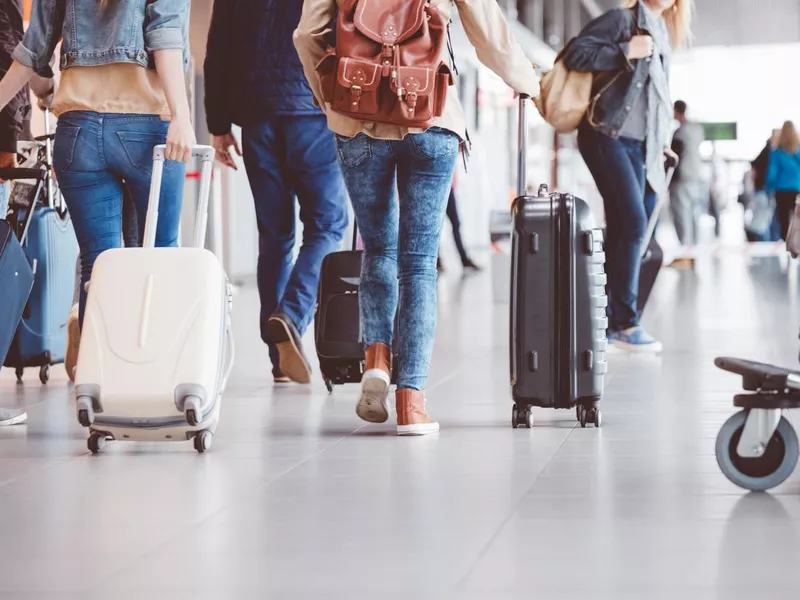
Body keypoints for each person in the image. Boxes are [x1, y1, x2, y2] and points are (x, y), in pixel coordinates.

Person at [295, 0, 539, 435]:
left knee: (378, 248)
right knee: (420, 264)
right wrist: (526, 81)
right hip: (431, 114)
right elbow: (488, 30)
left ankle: (376, 357)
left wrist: (332, 98)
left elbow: (305, 36)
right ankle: (411, 402)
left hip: (357, 113)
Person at [0, 0, 195, 345]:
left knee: (99, 266)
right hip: (147, 129)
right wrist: (181, 114)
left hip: (78, 132)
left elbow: (32, 52)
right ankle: (154, 365)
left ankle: (98, 375)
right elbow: (166, 36)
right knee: (160, 256)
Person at [205, 0, 349, 385]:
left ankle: (278, 358)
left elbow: (217, 50)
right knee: (329, 225)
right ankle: (292, 314)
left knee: (275, 237)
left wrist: (218, 124)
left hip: (257, 118)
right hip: (312, 113)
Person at [562, 0, 692, 354]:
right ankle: (625, 323)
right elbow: (576, 53)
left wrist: (660, 141)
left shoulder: (664, 34)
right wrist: (625, 50)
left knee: (628, 229)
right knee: (634, 223)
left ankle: (603, 323)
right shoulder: (624, 20)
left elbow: (654, 98)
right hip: (607, 134)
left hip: (644, 147)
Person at [668, 99, 704, 266]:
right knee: (693, 216)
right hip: (696, 178)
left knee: (681, 216)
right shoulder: (697, 130)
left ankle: (685, 253)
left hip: (681, 179)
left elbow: (675, 158)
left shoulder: (679, 133)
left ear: (676, 111)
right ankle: (694, 252)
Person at [438, 170, 481, 273]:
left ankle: (464, 259)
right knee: (436, 225)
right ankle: (436, 261)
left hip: (448, 188)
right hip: (439, 186)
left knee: (455, 224)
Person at [766, 121, 800, 241]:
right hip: (797, 189)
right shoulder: (798, 152)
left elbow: (772, 174)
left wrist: (769, 187)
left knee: (783, 218)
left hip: (781, 190)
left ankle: (787, 243)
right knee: (798, 217)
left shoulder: (776, 153)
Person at [748, 129, 781, 242]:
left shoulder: (771, 151)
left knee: (766, 217)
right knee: (764, 217)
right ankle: (763, 240)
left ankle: (767, 241)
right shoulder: (769, 152)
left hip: (765, 189)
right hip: (764, 189)